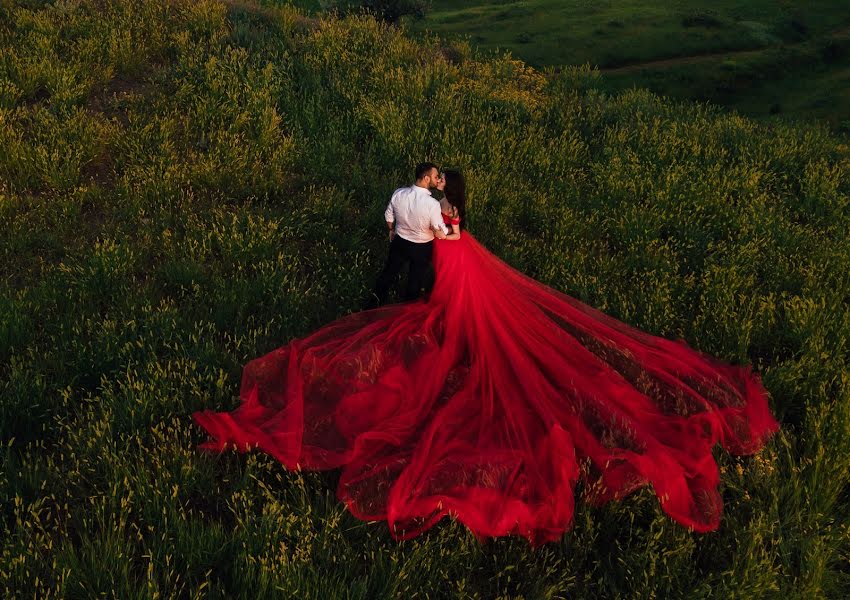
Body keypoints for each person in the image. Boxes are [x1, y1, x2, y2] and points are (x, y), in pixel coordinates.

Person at [193, 170, 779, 545]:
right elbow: (442, 234)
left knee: (446, 356)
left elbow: (424, 233)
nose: (438, 184)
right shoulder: (450, 224)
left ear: (446, 199)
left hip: (443, 267)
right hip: (449, 261)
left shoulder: (430, 215)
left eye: (443, 184)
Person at [370, 163, 448, 307]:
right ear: (426, 178)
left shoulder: (399, 193)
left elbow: (388, 216)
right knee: (415, 280)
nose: (437, 179)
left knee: (389, 272)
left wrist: (391, 230)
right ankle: (408, 309)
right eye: (436, 176)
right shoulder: (432, 204)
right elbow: (441, 232)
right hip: (422, 247)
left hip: (400, 242)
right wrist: (451, 229)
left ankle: (374, 300)